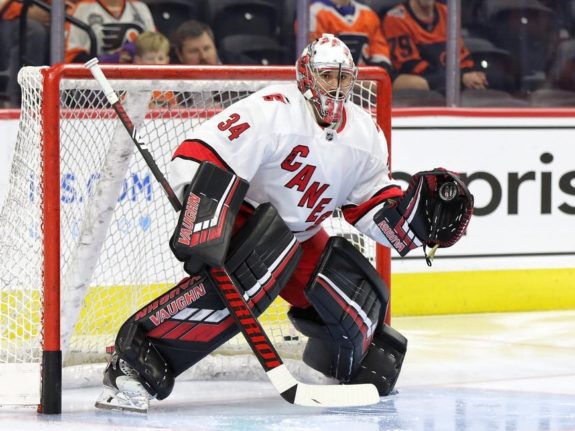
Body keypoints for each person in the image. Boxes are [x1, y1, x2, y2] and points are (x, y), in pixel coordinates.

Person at [93, 34, 472, 413]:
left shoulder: (365, 135)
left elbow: (370, 204)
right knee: (251, 275)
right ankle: (133, 363)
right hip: (248, 218)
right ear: (306, 77)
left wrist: (411, 223)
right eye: (328, 76)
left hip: (302, 235)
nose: (337, 88)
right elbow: (202, 150)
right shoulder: (273, 110)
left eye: (343, 78)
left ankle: (337, 363)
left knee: (350, 294)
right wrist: (201, 208)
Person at [382, 0, 488, 93]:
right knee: (417, 83)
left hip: (451, 84)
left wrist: (472, 76)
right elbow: (409, 66)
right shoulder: (396, 18)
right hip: (421, 90)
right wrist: (460, 78)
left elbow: (462, 57)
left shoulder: (448, 12)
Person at [309, 0, 393, 77]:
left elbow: (381, 59)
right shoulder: (314, 12)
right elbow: (316, 64)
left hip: (365, 84)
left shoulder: (368, 14)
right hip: (331, 84)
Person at [64, 0, 155, 64]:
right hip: (96, 81)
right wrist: (107, 60)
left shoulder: (140, 8)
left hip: (137, 77)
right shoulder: (82, 8)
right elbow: (71, 55)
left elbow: (157, 46)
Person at [0, 0, 51, 106]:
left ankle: (48, 100)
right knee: (34, 32)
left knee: (54, 35)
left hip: (49, 16)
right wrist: (23, 11)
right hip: (8, 17)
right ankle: (18, 100)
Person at [170, 19, 256, 66]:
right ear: (179, 55)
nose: (203, 56)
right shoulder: (169, 81)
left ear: (214, 46)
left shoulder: (240, 64)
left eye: (207, 48)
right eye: (194, 51)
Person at [133, 31, 175, 108]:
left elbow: (174, 106)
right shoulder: (132, 85)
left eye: (160, 58)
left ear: (167, 60)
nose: (156, 62)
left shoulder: (171, 85)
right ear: (138, 61)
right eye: (150, 58)